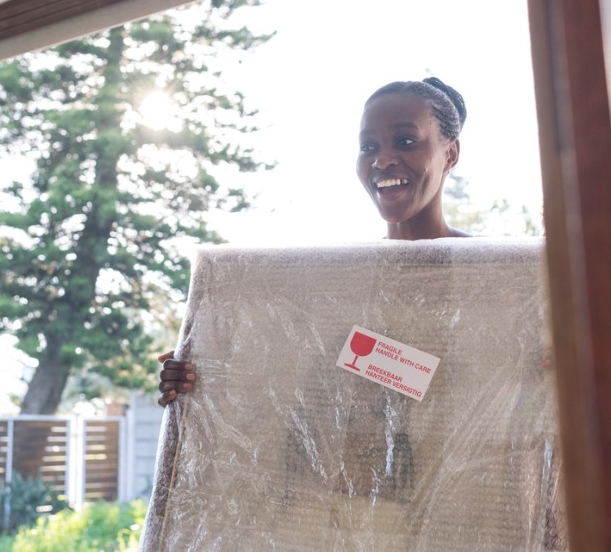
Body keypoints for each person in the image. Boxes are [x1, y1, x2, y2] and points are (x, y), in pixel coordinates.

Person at [157, 77, 469, 406]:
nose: (382, 159)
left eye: (405, 141)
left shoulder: (497, 276)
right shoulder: (336, 284)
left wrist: (347, 352)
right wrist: (203, 375)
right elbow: (303, 396)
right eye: (368, 147)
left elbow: (471, 383)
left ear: (450, 154)